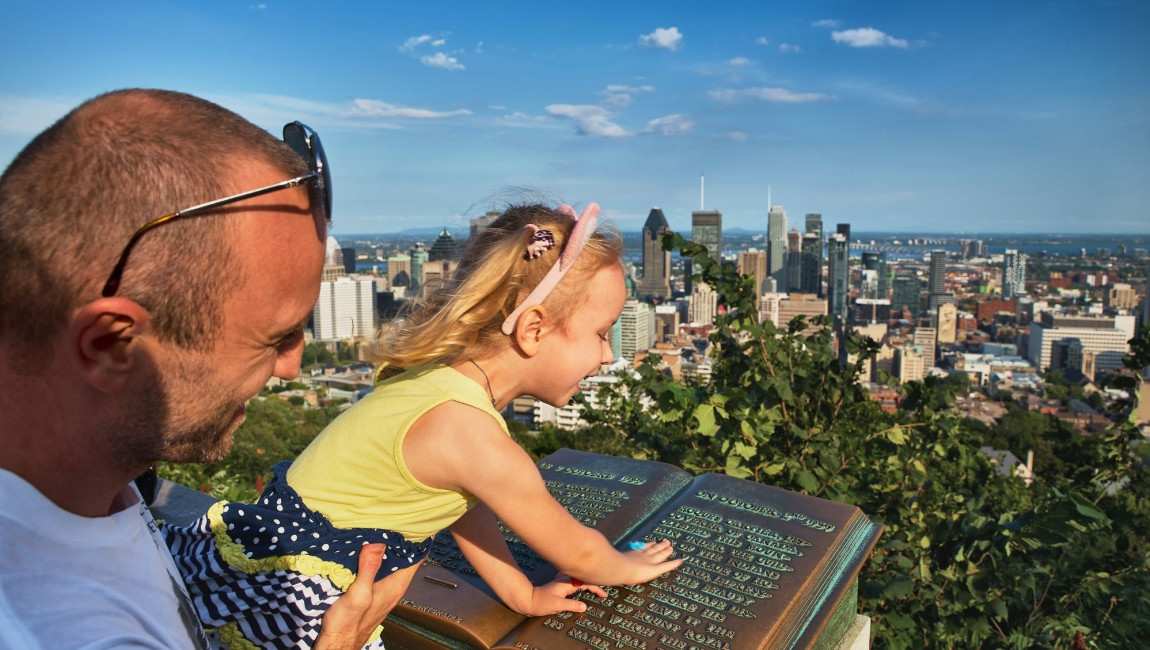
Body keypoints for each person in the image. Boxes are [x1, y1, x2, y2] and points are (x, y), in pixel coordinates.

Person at [0, 88, 416, 649]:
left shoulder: (91, 489)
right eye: (275, 338)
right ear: (109, 346)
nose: (292, 366)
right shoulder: (56, 628)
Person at [165, 202, 683, 648]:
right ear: (533, 330)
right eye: (601, 333)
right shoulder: (471, 434)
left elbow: (458, 506)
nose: (609, 356)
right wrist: (628, 566)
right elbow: (578, 551)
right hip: (303, 601)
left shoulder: (439, 384)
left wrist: (520, 594)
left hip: (265, 564)